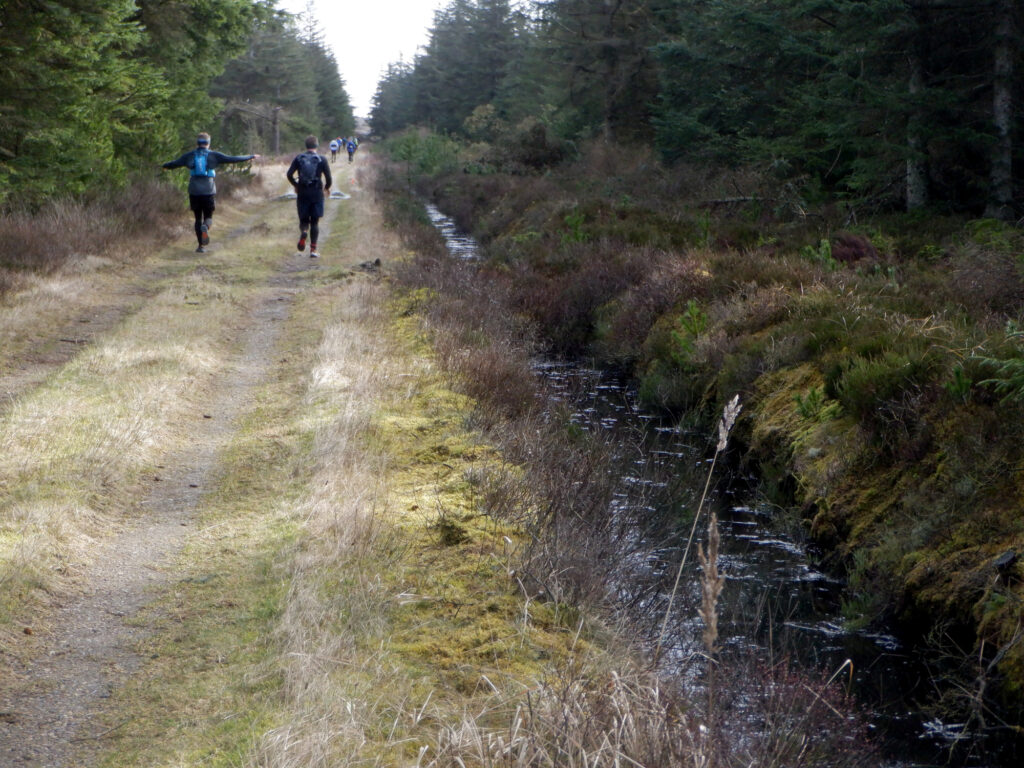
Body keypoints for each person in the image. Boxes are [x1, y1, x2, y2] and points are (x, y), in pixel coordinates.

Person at [161, 132, 259, 253]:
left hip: (194, 190)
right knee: (208, 217)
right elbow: (232, 159)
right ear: (208, 143)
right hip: (208, 190)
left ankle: (200, 246)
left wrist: (164, 166)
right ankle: (206, 227)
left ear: (197, 143)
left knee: (197, 218)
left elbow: (174, 164)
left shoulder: (189, 156)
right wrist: (250, 156)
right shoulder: (214, 155)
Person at [285, 135, 332, 258]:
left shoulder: (299, 158)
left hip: (303, 193)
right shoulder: (322, 159)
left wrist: (296, 185)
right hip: (317, 193)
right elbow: (329, 179)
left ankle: (304, 232)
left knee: (304, 220)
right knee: (315, 222)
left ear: (306, 146)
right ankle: (313, 250)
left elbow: (289, 174)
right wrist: (326, 188)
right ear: (316, 145)